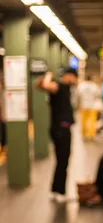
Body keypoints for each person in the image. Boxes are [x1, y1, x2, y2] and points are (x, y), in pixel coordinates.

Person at [36, 67, 79, 203]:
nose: (76, 80)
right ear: (68, 76)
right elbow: (43, 85)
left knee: (62, 160)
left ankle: (56, 189)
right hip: (61, 129)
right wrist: (48, 76)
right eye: (74, 77)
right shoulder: (59, 86)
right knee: (62, 160)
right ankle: (59, 191)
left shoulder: (66, 88)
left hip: (62, 129)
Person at [76, 75, 101, 141]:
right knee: (92, 121)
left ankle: (84, 134)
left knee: (83, 121)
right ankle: (91, 135)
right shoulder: (94, 86)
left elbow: (78, 95)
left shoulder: (81, 85)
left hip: (83, 105)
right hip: (92, 106)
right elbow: (98, 95)